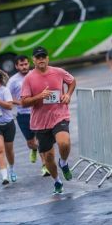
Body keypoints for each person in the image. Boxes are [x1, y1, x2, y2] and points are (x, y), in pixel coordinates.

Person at [21, 46, 76, 194]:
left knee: (64, 143)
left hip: (59, 114)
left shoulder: (58, 72)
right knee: (48, 157)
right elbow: (24, 102)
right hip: (40, 122)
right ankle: (57, 181)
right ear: (33, 60)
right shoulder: (29, 78)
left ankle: (63, 163)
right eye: (38, 57)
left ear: (47, 58)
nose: (41, 60)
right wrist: (39, 96)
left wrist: (68, 95)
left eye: (43, 57)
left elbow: (72, 81)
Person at [7, 55, 50, 177]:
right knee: (31, 142)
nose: (24, 67)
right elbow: (7, 97)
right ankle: (33, 149)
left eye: (26, 64)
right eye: (21, 65)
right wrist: (19, 102)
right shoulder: (13, 81)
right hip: (23, 115)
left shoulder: (34, 74)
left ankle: (45, 166)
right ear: (16, 66)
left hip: (38, 112)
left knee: (41, 140)